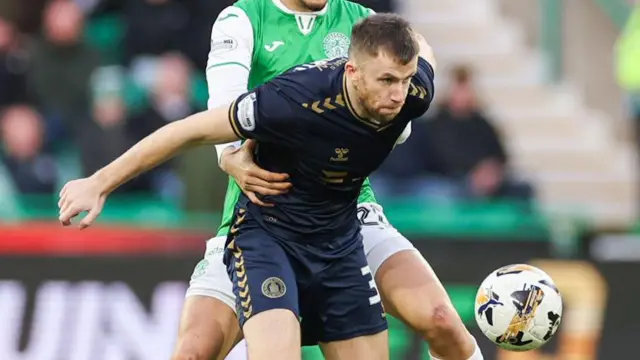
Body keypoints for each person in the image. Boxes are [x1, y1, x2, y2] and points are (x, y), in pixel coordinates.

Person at [58, 13, 434, 360]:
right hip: (270, 236)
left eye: (405, 80)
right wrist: (100, 181)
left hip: (339, 242)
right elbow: (190, 131)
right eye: (386, 80)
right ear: (352, 71)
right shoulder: (293, 99)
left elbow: (422, 55)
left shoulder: (413, 94)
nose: (399, 94)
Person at [180, 1, 485, 359]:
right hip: (264, 214)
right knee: (194, 351)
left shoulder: (363, 20)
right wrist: (230, 154)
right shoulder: (246, 18)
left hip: (349, 212)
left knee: (441, 319)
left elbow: (410, 70)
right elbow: (224, 106)